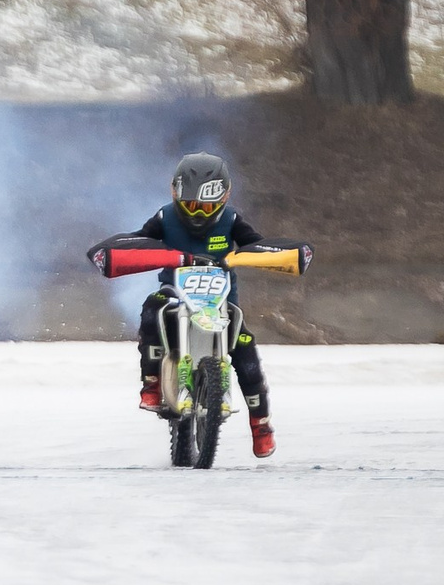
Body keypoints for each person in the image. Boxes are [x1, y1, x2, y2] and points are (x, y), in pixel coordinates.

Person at [85, 152, 308, 459]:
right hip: (174, 292)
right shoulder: (164, 218)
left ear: (223, 198)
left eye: (204, 207)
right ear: (176, 196)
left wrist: (251, 256)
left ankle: (261, 424)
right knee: (152, 309)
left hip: (221, 301)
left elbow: (256, 243)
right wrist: (159, 255)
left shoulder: (231, 220)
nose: (197, 214)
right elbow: (138, 242)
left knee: (245, 346)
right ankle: (151, 383)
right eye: (190, 206)